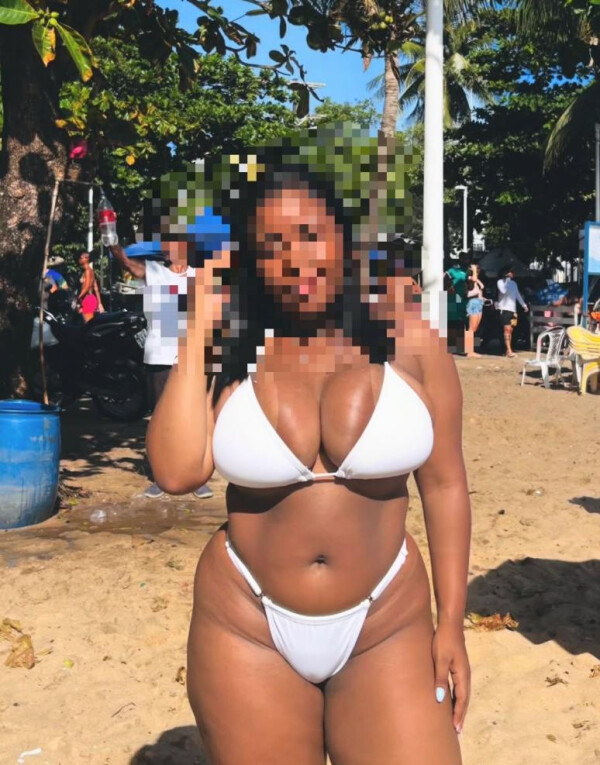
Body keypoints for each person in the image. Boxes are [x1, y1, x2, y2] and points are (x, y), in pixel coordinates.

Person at [147, 164, 471, 764]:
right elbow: (176, 472)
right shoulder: (234, 348)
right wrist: (198, 330)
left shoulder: (409, 339)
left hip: (387, 618)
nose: (295, 259)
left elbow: (446, 485)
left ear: (344, 237)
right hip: (245, 622)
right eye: (272, 245)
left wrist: (451, 620)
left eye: (310, 235)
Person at [109, 241, 213, 501]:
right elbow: (126, 262)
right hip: (160, 356)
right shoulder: (154, 271)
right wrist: (112, 243)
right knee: (160, 417)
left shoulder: (199, 276)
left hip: (191, 357)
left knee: (196, 416)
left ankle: (195, 477)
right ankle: (160, 476)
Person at [497, 265, 528, 357]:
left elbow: (517, 295)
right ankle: (509, 350)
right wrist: (507, 280)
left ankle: (508, 349)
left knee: (510, 330)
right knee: (506, 329)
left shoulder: (514, 283)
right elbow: (503, 291)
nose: (512, 274)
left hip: (513, 310)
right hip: (504, 309)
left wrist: (523, 305)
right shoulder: (500, 282)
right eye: (510, 272)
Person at [77, 252, 104, 321]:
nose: (79, 259)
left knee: (88, 324)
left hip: (87, 300)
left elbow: (87, 287)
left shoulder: (87, 271)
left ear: (86, 259)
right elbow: (95, 287)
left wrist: (78, 297)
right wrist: (99, 303)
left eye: (81, 258)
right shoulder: (90, 271)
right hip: (90, 299)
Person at [465, 263, 485, 358]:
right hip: (473, 303)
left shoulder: (476, 280)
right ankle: (469, 351)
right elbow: (473, 279)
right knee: (471, 328)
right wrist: (473, 270)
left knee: (475, 328)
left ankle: (471, 349)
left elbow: (481, 286)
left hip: (479, 303)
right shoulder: (470, 278)